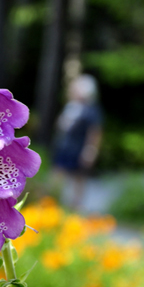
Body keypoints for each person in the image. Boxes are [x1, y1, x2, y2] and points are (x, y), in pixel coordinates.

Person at [52, 74, 103, 209]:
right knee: (58, 174)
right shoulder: (71, 106)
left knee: (79, 178)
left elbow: (95, 132)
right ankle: (53, 203)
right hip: (64, 146)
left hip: (79, 148)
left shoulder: (92, 110)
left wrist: (91, 150)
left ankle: (76, 207)